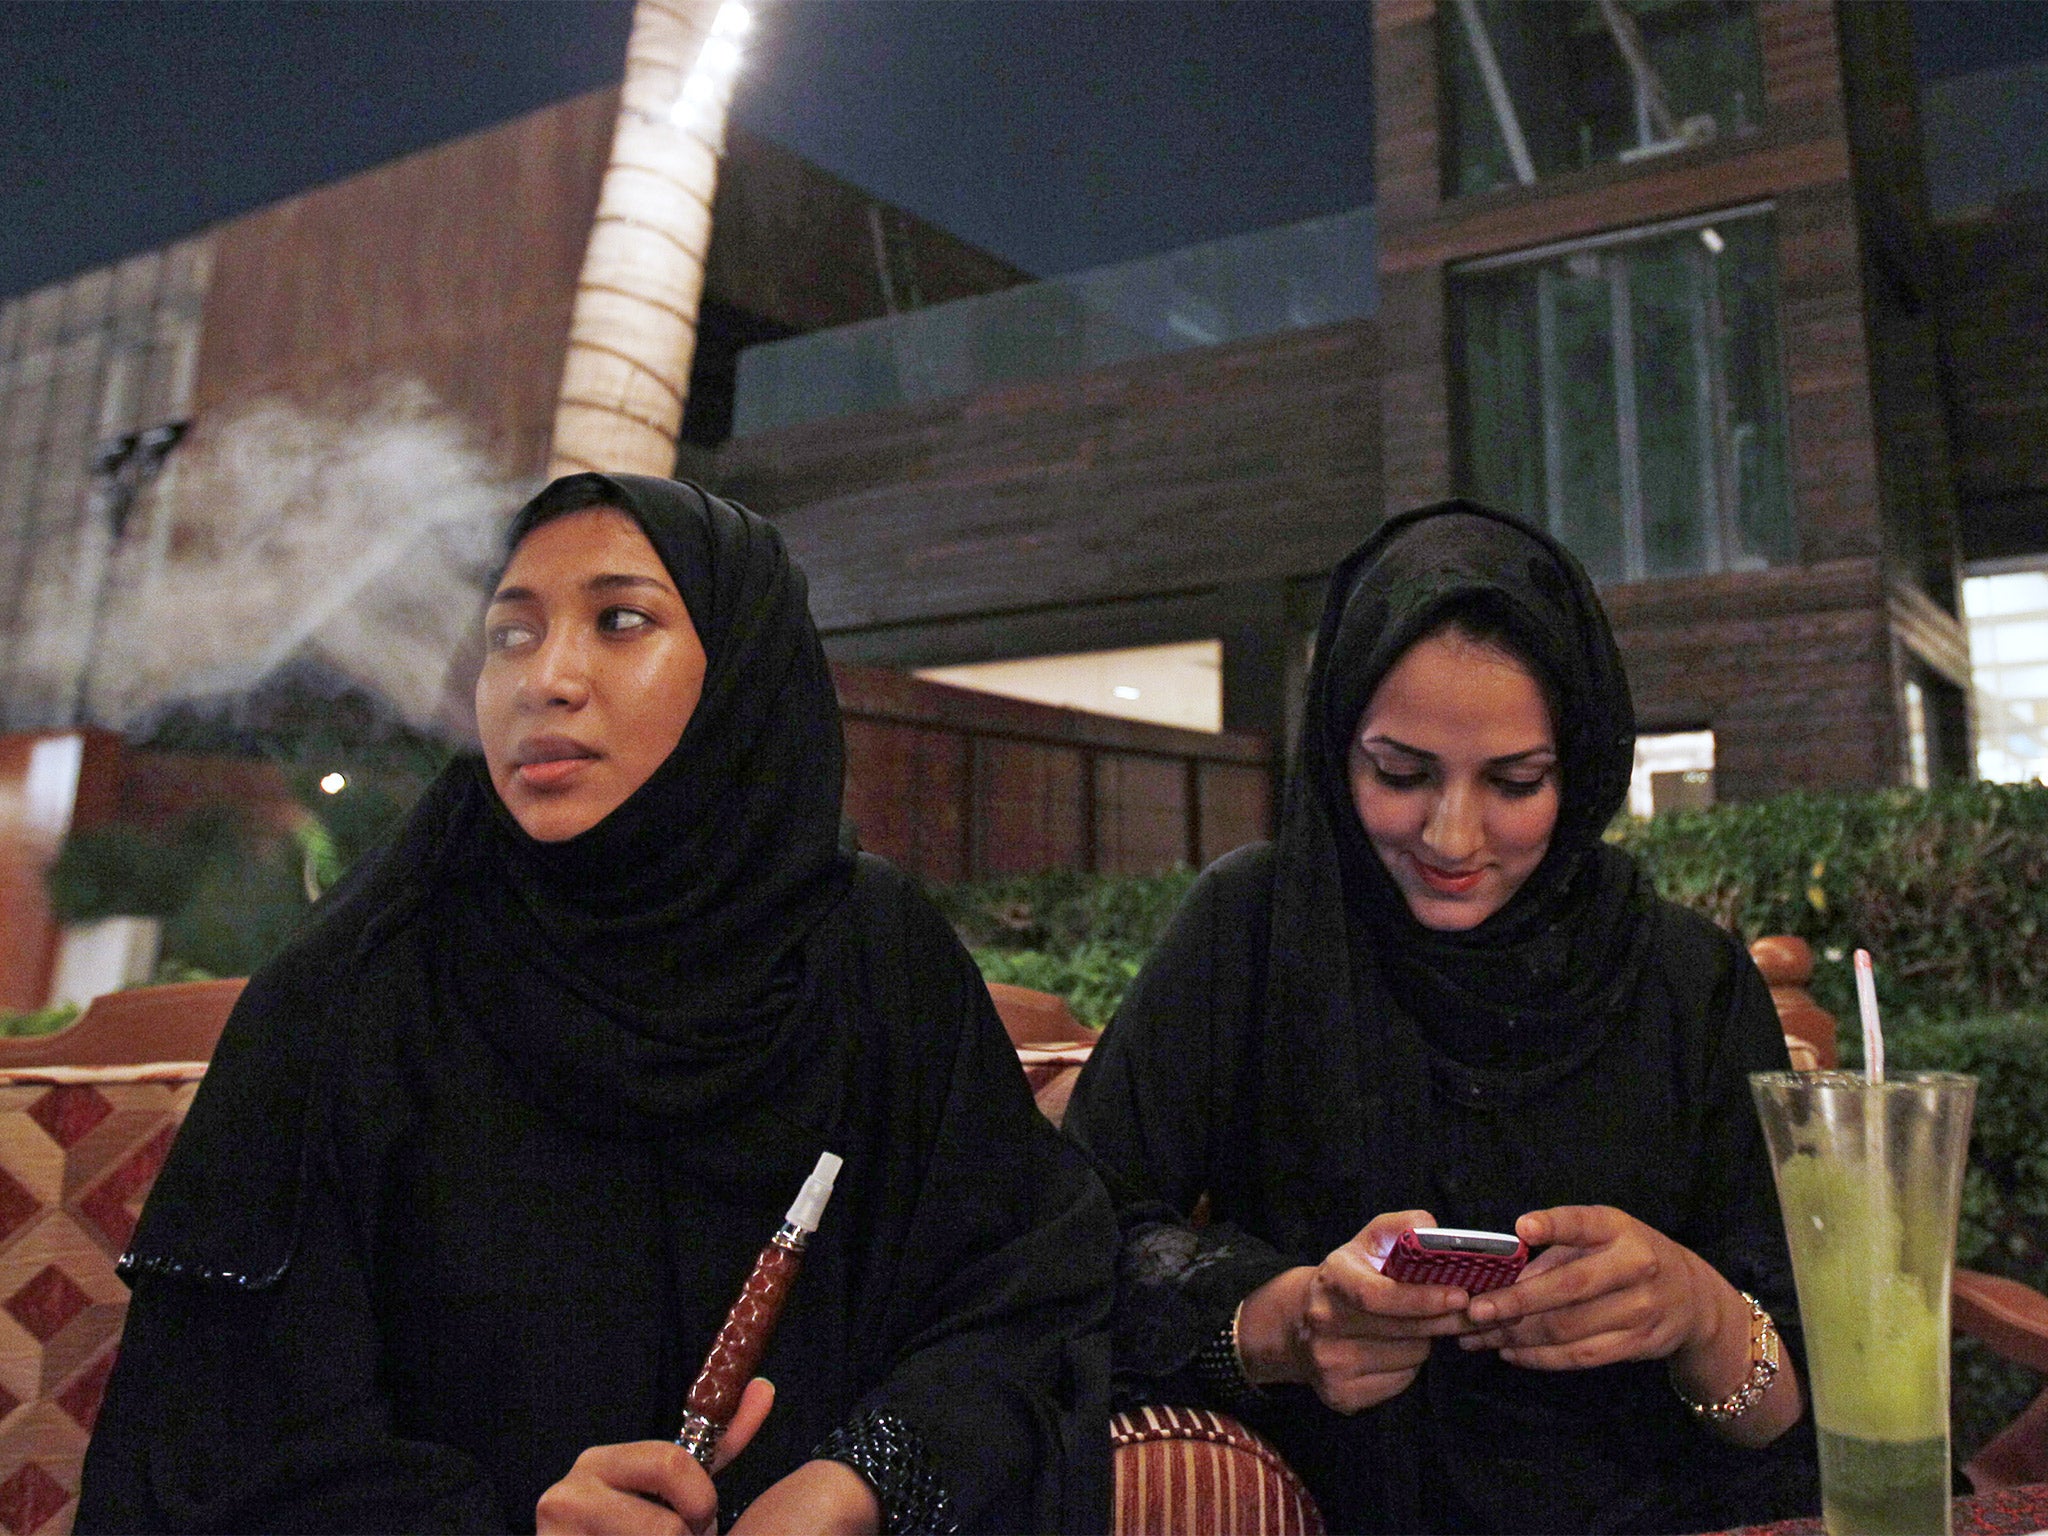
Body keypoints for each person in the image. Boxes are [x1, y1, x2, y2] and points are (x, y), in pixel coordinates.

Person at [79, 473, 1114, 1536]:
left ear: (741, 667)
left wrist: (855, 1483)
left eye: (620, 622)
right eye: (510, 636)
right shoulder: (354, 993)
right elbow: (224, 1441)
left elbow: (1029, 1294)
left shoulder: (873, 956)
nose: (547, 679)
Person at [1063, 500, 1819, 1534]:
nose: (1451, 835)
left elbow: (1803, 1403)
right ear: (1336, 751)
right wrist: (1282, 1322)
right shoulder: (1255, 929)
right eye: (1399, 773)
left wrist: (1695, 1312)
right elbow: (1071, 1229)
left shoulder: (1688, 980)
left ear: (1580, 765)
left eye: (1514, 782)